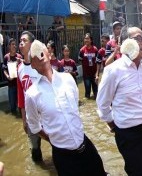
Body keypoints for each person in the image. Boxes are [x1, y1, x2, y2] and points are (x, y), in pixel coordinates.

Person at [25, 40, 106, 175]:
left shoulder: (68, 79)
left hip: (85, 146)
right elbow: (34, 126)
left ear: (49, 54)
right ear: (32, 65)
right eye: (34, 54)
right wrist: (52, 139)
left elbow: (75, 109)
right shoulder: (32, 94)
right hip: (63, 156)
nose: (39, 53)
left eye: (41, 49)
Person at [97, 27, 142, 176]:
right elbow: (102, 105)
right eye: (137, 38)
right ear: (125, 44)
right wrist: (114, 126)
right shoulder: (113, 70)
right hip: (128, 134)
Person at [17, 31, 43, 163]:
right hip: (31, 117)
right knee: (35, 151)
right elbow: (21, 96)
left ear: (32, 44)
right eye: (20, 40)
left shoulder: (40, 64)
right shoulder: (20, 68)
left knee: (58, 147)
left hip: (45, 114)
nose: (21, 43)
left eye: (24, 40)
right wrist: (23, 120)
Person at [3, 38, 21, 114]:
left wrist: (18, 63)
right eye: (12, 44)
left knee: (20, 106)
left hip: (19, 85)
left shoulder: (19, 57)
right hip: (11, 85)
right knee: (12, 107)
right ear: (9, 46)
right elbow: (4, 69)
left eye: (15, 44)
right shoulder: (6, 57)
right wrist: (7, 77)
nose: (14, 46)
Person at [78, 33, 99, 99]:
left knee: (96, 93)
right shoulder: (82, 50)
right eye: (85, 38)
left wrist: (97, 73)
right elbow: (80, 60)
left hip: (94, 74)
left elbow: (98, 62)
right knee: (87, 93)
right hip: (86, 74)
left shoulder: (95, 49)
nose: (86, 40)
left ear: (91, 40)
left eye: (88, 38)